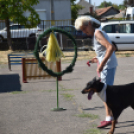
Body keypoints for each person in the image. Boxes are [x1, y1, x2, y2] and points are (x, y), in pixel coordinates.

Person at [75, 16, 118, 128]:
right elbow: (106, 49)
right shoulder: (99, 32)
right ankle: (111, 116)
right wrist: (97, 58)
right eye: (82, 30)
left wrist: (102, 64)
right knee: (105, 92)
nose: (84, 32)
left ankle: (109, 118)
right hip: (108, 65)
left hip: (107, 67)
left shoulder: (97, 33)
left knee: (105, 93)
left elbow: (110, 47)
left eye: (84, 29)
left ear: (89, 23)